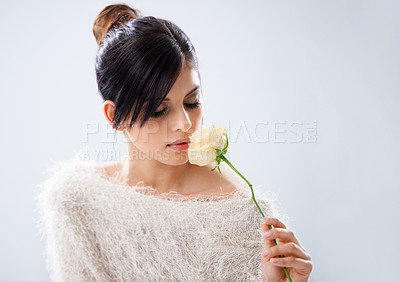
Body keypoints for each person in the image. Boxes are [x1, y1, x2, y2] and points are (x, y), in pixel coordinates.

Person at [34, 3, 313, 281]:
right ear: (114, 115)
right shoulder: (75, 200)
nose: (185, 123)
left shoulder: (244, 214)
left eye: (192, 102)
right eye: (158, 109)